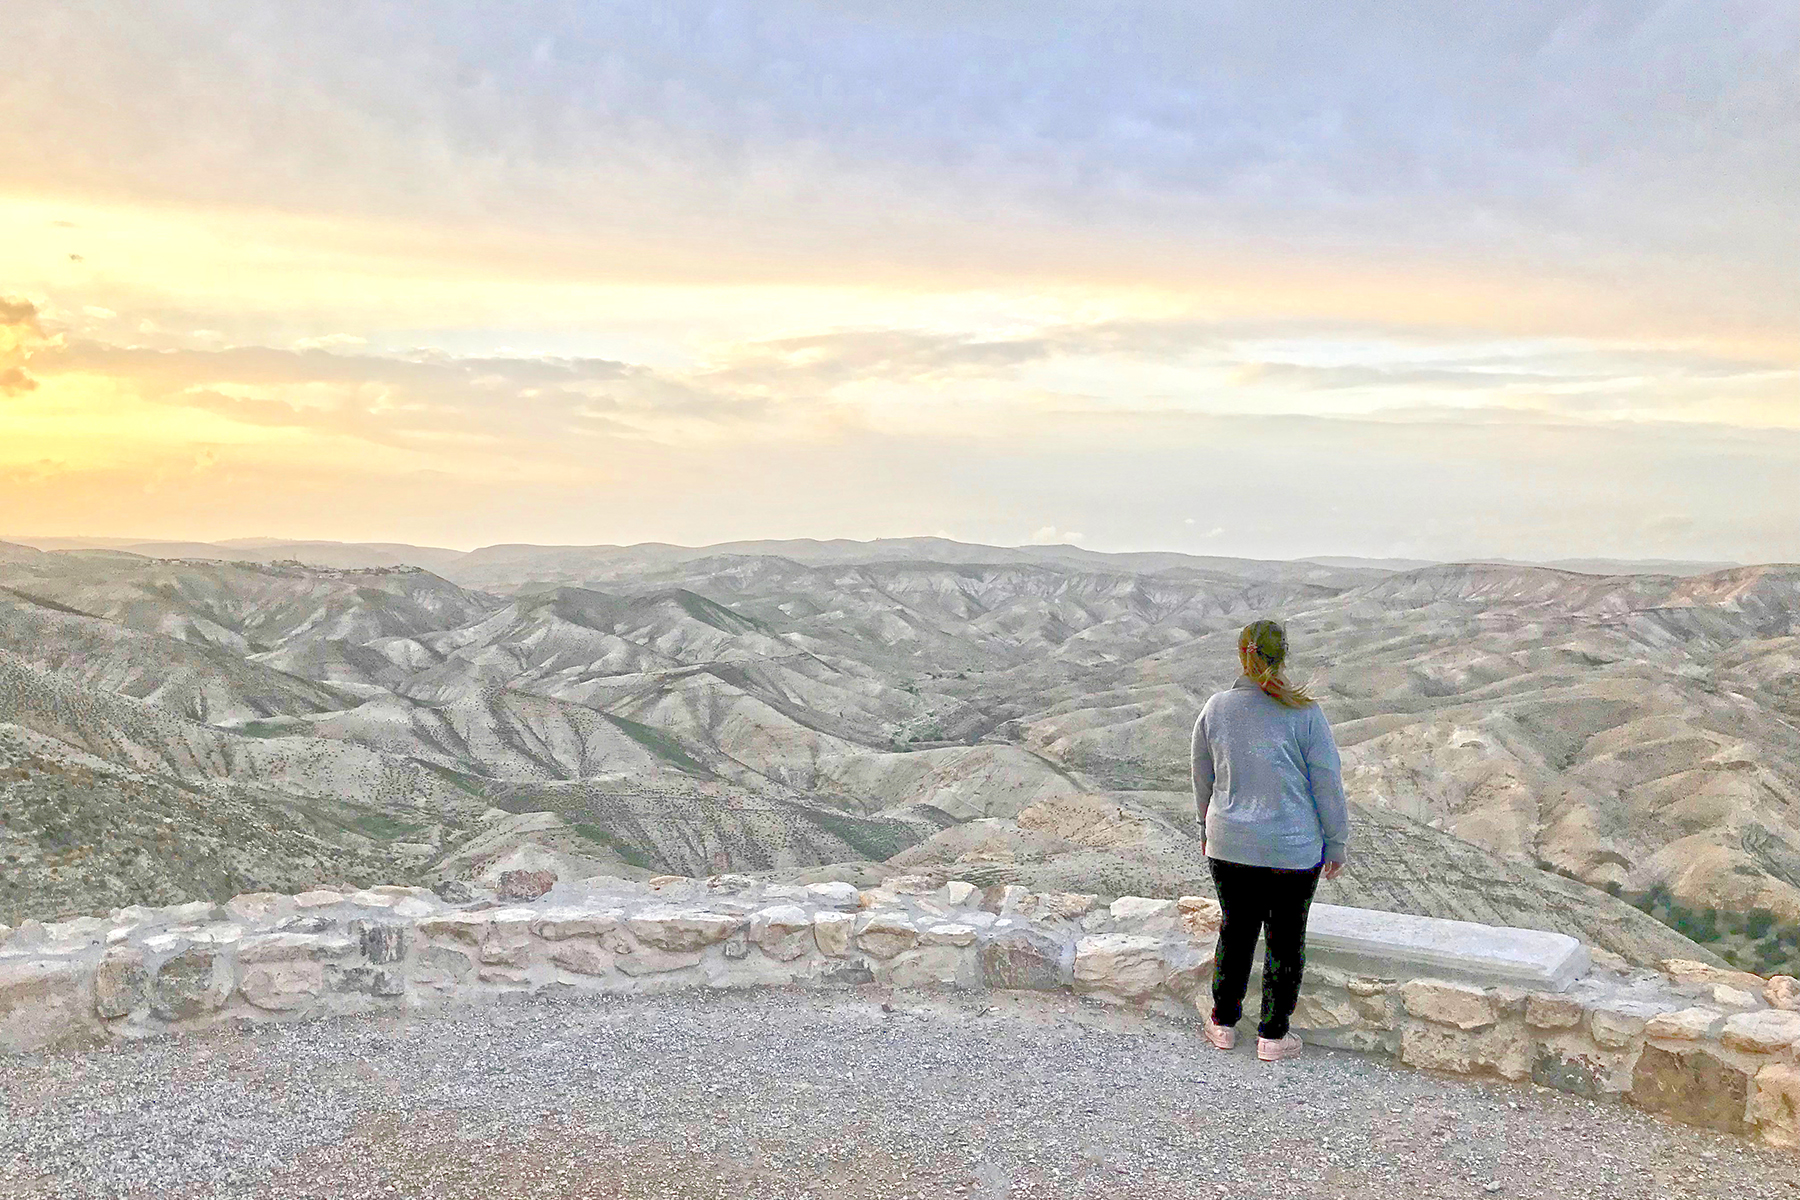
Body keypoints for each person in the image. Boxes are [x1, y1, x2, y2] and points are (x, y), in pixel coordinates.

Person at [1190, 619, 1349, 1062]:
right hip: (1292, 848)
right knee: (1285, 940)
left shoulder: (1216, 708)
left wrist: (1207, 829)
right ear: (1282, 657)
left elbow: (1203, 777)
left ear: (1242, 655)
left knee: (1236, 932)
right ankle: (1273, 1037)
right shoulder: (1305, 713)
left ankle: (1223, 1024)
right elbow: (1327, 783)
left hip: (1229, 843)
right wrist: (1335, 843)